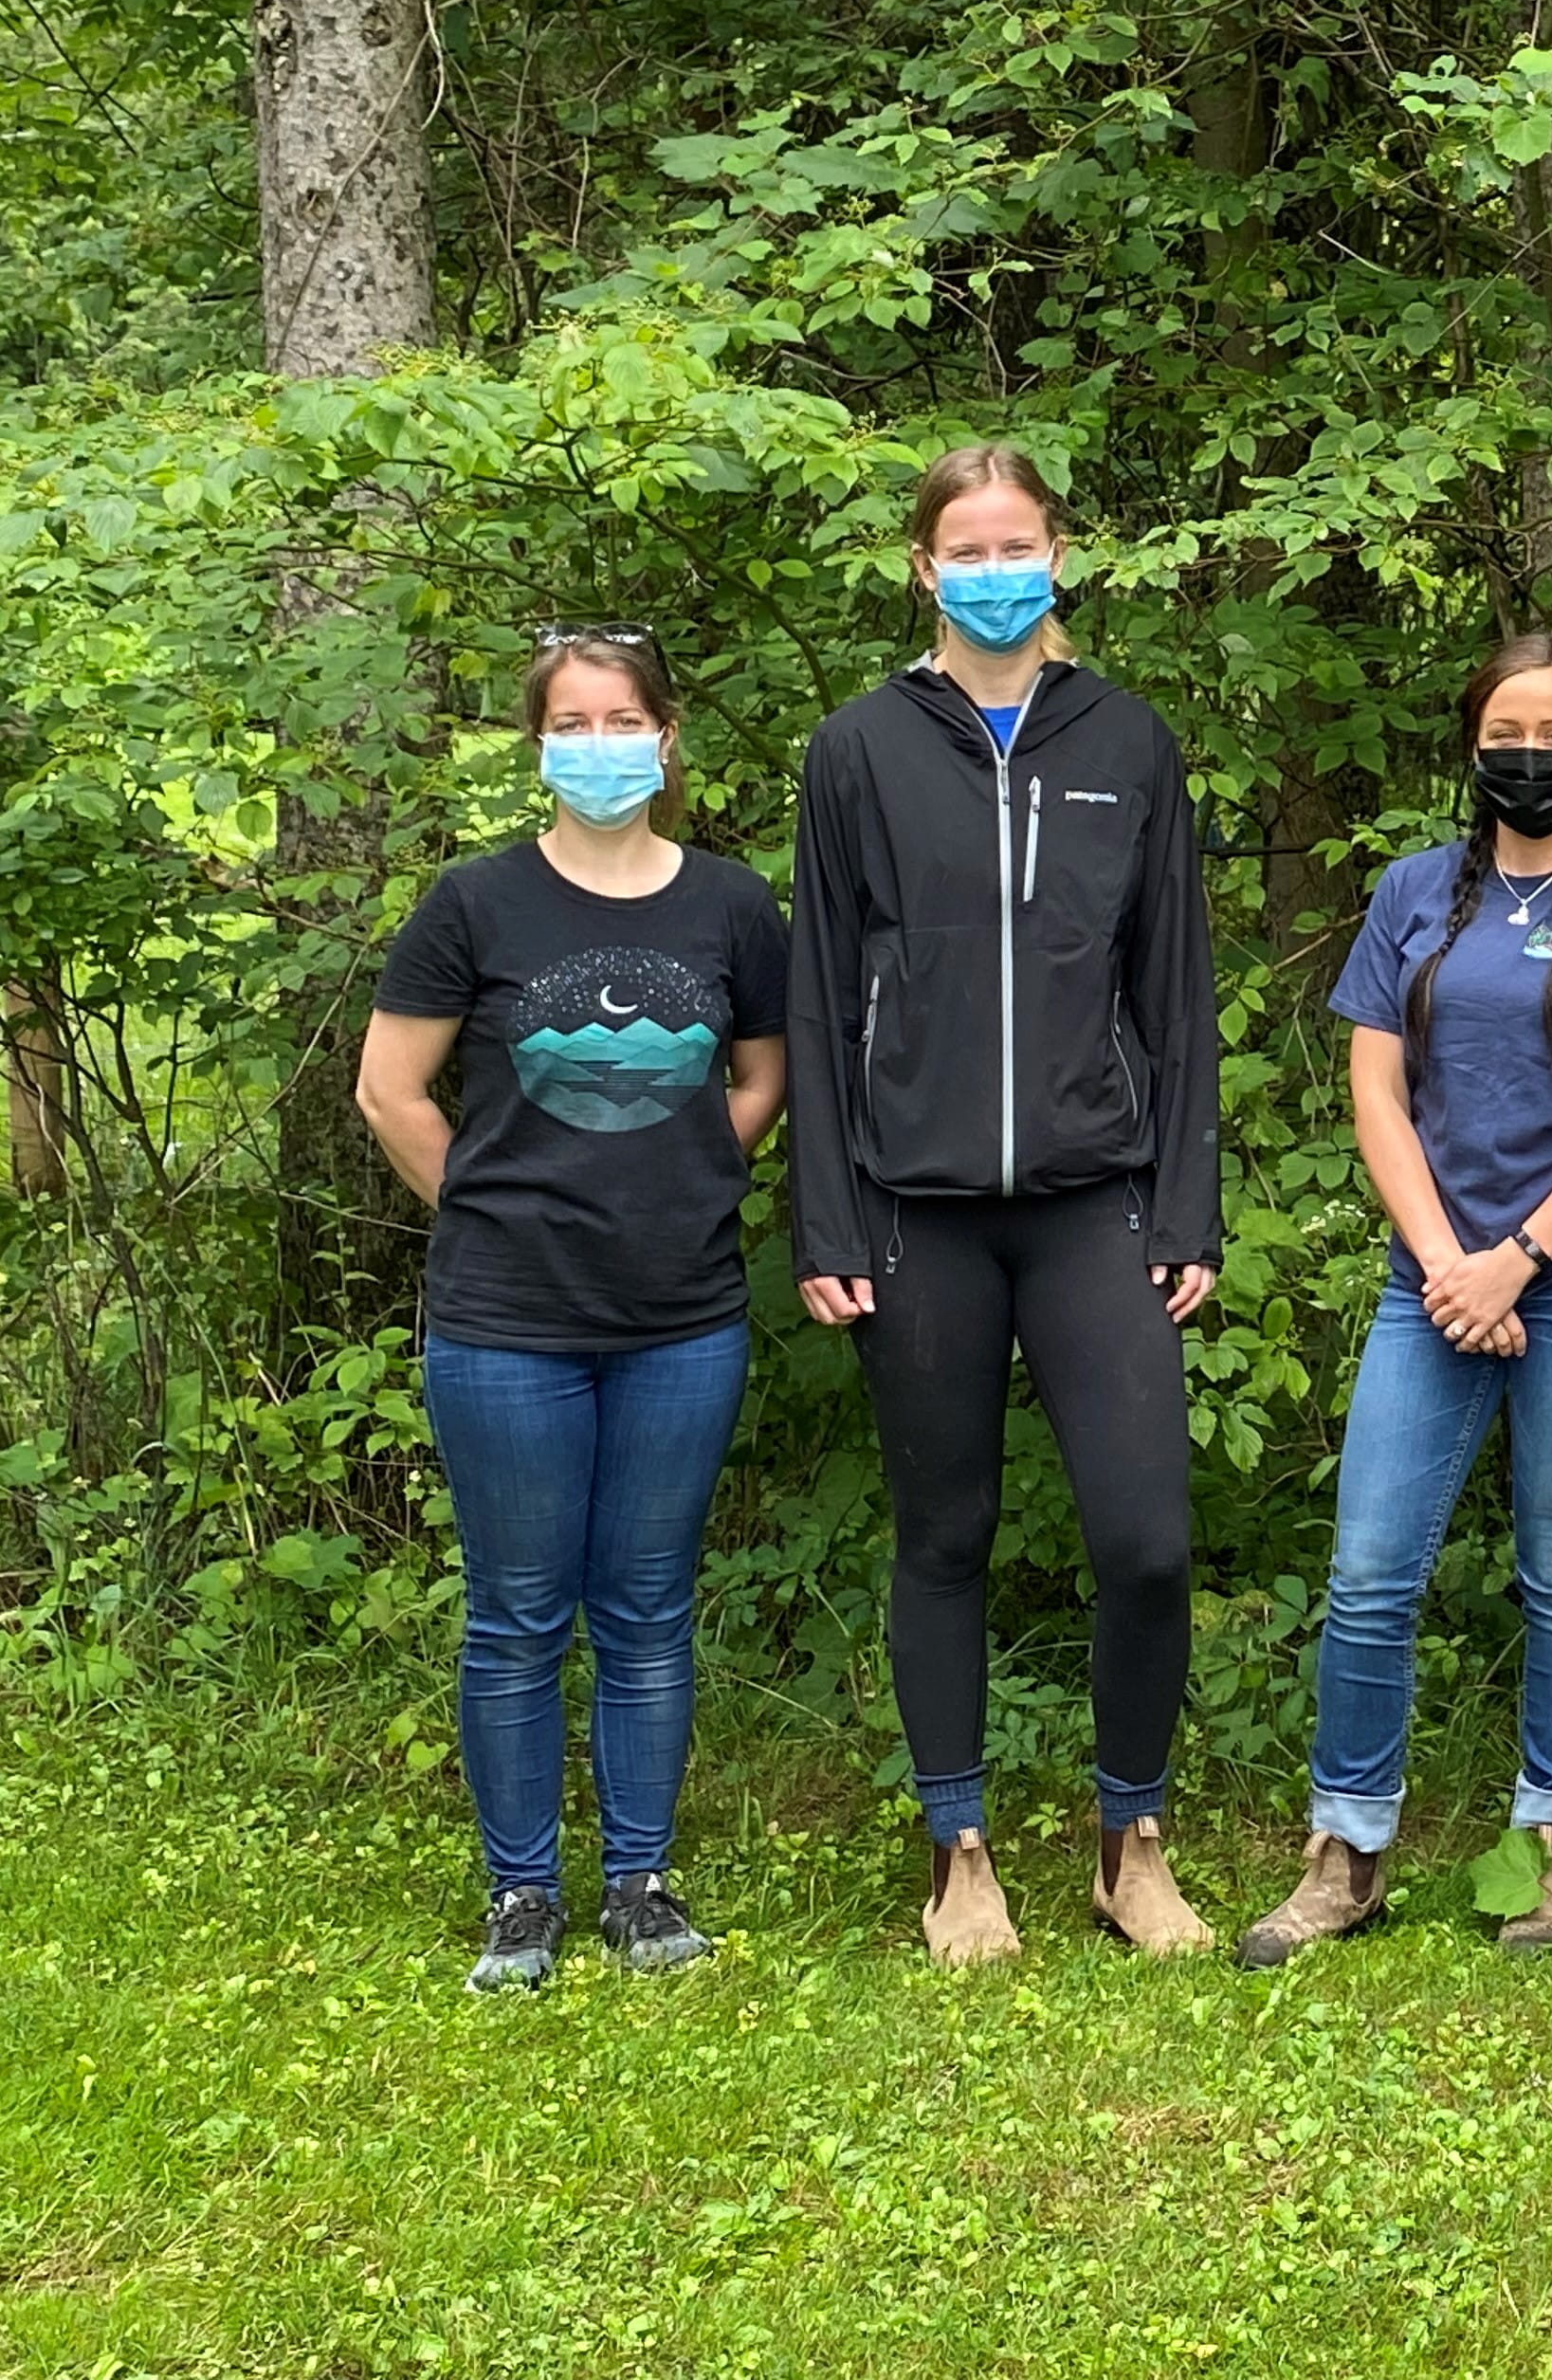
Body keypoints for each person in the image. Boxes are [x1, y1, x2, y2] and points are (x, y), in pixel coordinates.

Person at [786, 441, 1226, 1968]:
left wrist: (1188, 1207)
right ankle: (957, 1851)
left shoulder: (1129, 739)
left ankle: (1131, 1843)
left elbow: (1173, 988)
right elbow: (823, 992)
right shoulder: (856, 751)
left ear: (1060, 558)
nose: (992, 570)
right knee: (946, 1531)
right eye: (963, 548)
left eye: (1018, 544)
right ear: (922, 567)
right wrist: (827, 1221)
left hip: (1095, 1197)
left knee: (1146, 1538)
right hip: (916, 1211)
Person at [1234, 632, 1552, 1968]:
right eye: (1506, 732)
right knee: (1369, 1569)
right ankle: (1348, 1850)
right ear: (1473, 748)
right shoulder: (1408, 893)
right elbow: (1376, 1092)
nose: (1529, 756)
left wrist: (1517, 1260)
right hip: (1428, 1280)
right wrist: (1452, 1259)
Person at [357, 627, 790, 1992]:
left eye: (623, 721)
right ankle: (522, 1893)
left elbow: (765, 1073)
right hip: (504, 1321)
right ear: (537, 743)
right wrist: (488, 1211)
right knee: (519, 1613)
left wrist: (690, 1179)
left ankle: (643, 1889)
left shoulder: (730, 905)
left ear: (668, 741)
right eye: (572, 722)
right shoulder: (474, 907)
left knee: (652, 1605)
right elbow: (391, 1091)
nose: (599, 744)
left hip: (682, 1313)